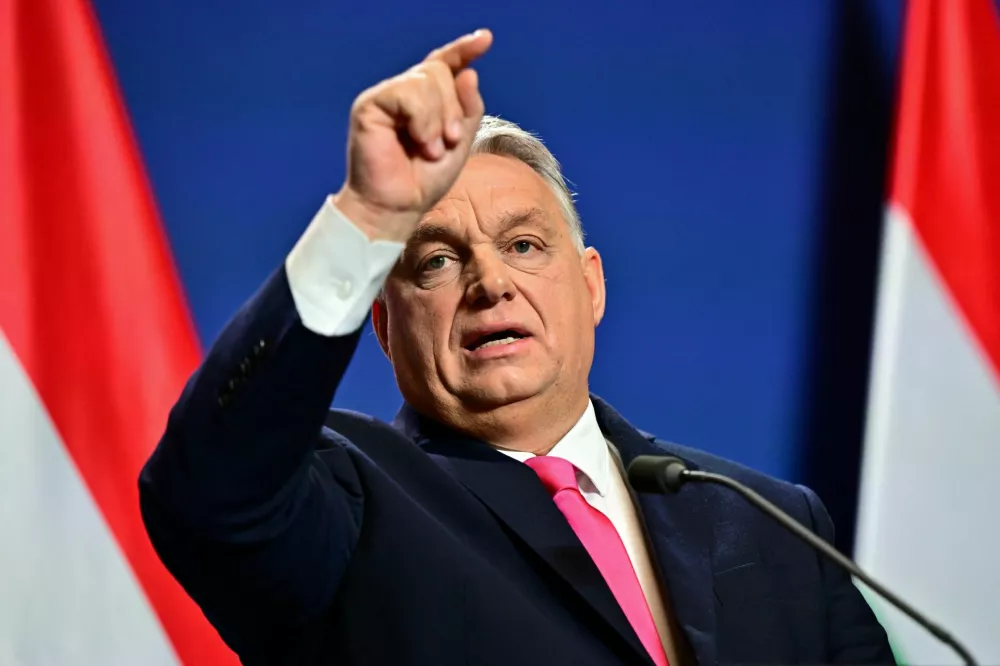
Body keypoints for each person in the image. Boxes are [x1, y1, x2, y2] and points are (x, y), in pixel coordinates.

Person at [139, 29, 895, 666]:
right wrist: (368, 214)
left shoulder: (773, 522)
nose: (490, 283)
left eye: (525, 244)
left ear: (591, 286)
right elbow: (209, 492)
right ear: (384, 325)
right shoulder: (349, 502)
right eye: (435, 261)